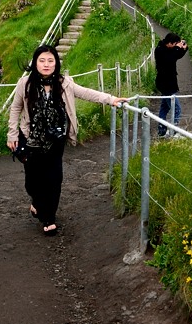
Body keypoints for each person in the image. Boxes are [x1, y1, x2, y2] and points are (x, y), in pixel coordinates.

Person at [7, 45, 125, 235]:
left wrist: (110, 99)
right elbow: (15, 108)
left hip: (56, 139)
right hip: (31, 139)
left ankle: (48, 218)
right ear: (35, 62)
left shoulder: (65, 83)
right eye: (42, 60)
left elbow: (86, 93)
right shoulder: (25, 83)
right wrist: (12, 134)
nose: (46, 64)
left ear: (56, 63)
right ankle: (36, 202)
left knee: (54, 179)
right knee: (33, 180)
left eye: (50, 60)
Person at [153, 32, 188, 136]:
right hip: (166, 84)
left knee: (165, 107)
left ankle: (162, 130)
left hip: (168, 84)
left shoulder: (168, 49)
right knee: (177, 109)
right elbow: (170, 59)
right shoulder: (160, 50)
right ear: (170, 43)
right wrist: (177, 49)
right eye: (175, 44)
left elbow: (176, 56)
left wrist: (183, 48)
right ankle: (173, 130)